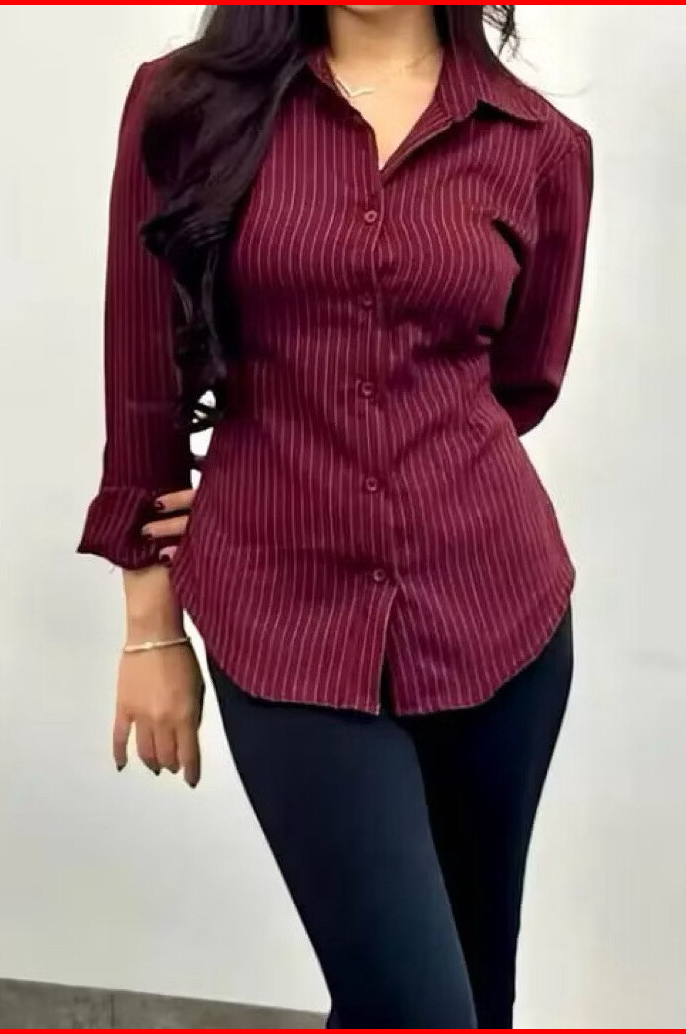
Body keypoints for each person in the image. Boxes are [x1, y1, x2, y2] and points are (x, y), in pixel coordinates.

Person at [79, 5, 592, 1027]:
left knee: (470, 998)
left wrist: (389, 454)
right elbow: (144, 383)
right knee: (416, 1005)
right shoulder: (183, 107)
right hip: (282, 619)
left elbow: (521, 382)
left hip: (498, 619)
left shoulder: (541, 144)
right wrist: (150, 626)